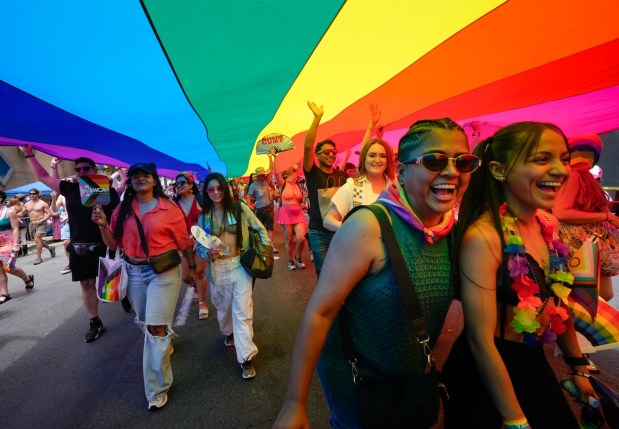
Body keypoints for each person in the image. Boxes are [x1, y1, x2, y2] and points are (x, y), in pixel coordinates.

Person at [274, 118, 475, 428]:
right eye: (435, 160)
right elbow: (320, 313)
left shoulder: (453, 232)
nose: (451, 171)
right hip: (355, 383)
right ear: (404, 171)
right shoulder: (368, 226)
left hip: (408, 382)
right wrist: (294, 403)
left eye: (463, 162)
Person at [442, 122, 597, 428]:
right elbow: (479, 339)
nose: (559, 170)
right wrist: (515, 420)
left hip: (531, 359)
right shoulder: (484, 237)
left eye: (563, 159)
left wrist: (578, 366)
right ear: (499, 171)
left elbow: (558, 302)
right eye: (542, 159)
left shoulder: (546, 223)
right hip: (482, 371)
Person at [92, 162, 195, 410]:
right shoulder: (122, 210)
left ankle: (156, 387)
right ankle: (164, 342)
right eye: (136, 175)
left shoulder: (169, 208)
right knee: (144, 321)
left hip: (164, 271)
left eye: (145, 175)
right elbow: (114, 244)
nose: (140, 179)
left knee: (156, 328)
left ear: (154, 180)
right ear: (130, 181)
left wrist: (191, 268)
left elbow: (184, 241)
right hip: (133, 272)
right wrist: (103, 225)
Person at [19, 145, 120, 342]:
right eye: (78, 169)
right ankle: (95, 321)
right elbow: (42, 177)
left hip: (105, 243)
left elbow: (118, 218)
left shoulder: (108, 190)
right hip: (80, 247)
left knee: (113, 283)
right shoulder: (69, 188)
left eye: (86, 169)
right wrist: (29, 154)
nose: (81, 172)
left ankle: (124, 296)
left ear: (95, 170)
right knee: (87, 283)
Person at [194, 172, 269, 379]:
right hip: (217, 270)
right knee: (223, 307)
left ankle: (246, 357)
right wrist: (206, 252)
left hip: (240, 266)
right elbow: (198, 246)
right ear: (206, 192)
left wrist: (265, 249)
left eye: (220, 188)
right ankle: (229, 332)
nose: (216, 192)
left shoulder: (239, 208)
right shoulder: (203, 217)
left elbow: (260, 228)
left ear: (225, 190)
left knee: (243, 312)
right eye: (211, 189)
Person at [554, 134, 619, 301]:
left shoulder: (582, 176)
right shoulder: (574, 175)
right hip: (582, 245)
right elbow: (561, 212)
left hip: (591, 245)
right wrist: (606, 216)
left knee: (602, 295)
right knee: (592, 298)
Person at [303, 101, 348, 277]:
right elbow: (307, 147)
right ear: (318, 154)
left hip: (340, 230)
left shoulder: (342, 176)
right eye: (326, 151)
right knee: (324, 273)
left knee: (344, 271)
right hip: (318, 232)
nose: (331, 154)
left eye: (333, 152)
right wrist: (317, 118)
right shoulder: (312, 173)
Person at [323, 138, 395, 231]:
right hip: (359, 243)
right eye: (372, 155)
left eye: (383, 156)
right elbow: (328, 220)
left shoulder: (395, 187)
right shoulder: (352, 186)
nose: (377, 160)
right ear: (364, 159)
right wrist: (348, 229)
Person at [173, 171, 209, 320]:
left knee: (200, 272)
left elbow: (209, 218)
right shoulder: (173, 204)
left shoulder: (200, 199)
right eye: (177, 183)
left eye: (183, 183)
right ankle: (195, 287)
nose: (179, 185)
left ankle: (202, 303)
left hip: (200, 241)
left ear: (190, 184)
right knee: (187, 276)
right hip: (182, 243)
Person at [0, 190, 35, 303]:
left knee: (8, 267)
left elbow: (15, 229)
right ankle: (5, 293)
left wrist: (16, 244)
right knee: (0, 269)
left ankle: (27, 278)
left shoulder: (9, 212)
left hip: (8, 242)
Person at [274, 164, 307, 271]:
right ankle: (290, 260)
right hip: (286, 214)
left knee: (301, 238)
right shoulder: (282, 184)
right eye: (297, 173)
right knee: (289, 240)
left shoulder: (297, 185)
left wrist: (302, 204)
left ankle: (298, 258)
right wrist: (274, 159)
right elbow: (276, 173)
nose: (298, 175)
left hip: (298, 214)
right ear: (291, 173)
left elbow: (300, 200)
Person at [247, 158, 279, 253]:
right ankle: (262, 246)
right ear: (257, 176)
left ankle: (271, 245)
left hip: (269, 208)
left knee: (270, 228)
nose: (263, 176)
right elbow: (249, 196)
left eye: (263, 175)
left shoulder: (266, 180)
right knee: (261, 228)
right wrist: (249, 206)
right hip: (259, 209)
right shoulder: (253, 185)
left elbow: (271, 168)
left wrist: (270, 157)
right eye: (261, 175)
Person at [19, 188, 55, 265]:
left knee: (37, 238)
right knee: (37, 240)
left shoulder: (43, 203)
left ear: (38, 194)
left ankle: (38, 258)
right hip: (32, 224)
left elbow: (49, 214)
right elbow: (21, 214)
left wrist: (41, 221)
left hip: (41, 223)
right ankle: (51, 248)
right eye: (30, 194)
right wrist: (11, 215)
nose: (32, 195)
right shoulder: (27, 204)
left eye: (34, 193)